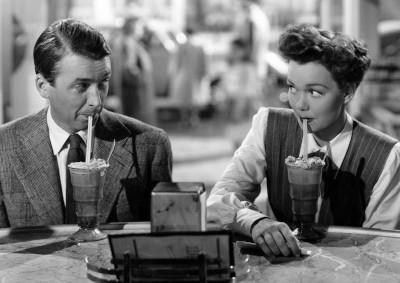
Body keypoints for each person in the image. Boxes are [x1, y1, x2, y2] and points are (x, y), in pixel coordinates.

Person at [207, 24, 400, 257]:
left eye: (315, 92)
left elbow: (383, 250)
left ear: (348, 91)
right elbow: (217, 202)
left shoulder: (386, 155)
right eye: (292, 88)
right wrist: (256, 222)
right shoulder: (269, 125)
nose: (299, 104)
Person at [0, 19, 172, 228]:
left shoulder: (149, 146)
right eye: (81, 85)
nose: (97, 101)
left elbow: (162, 244)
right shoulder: (5, 146)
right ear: (43, 86)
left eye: (103, 83)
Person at [110, 17, 156, 124]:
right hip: (133, 88)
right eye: (139, 27)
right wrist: (141, 78)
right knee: (134, 118)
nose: (142, 30)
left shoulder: (129, 42)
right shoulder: (129, 43)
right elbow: (129, 67)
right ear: (133, 28)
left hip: (130, 87)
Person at [168, 27, 207, 127]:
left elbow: (177, 63)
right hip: (189, 75)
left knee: (189, 99)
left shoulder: (188, 47)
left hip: (189, 75)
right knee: (190, 99)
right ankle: (190, 118)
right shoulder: (189, 47)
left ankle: (188, 118)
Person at [221, 38, 261, 122]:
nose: (232, 52)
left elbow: (248, 89)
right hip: (231, 101)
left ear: (243, 51)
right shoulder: (230, 66)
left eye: (235, 50)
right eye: (231, 49)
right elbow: (225, 84)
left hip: (242, 104)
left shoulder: (247, 67)